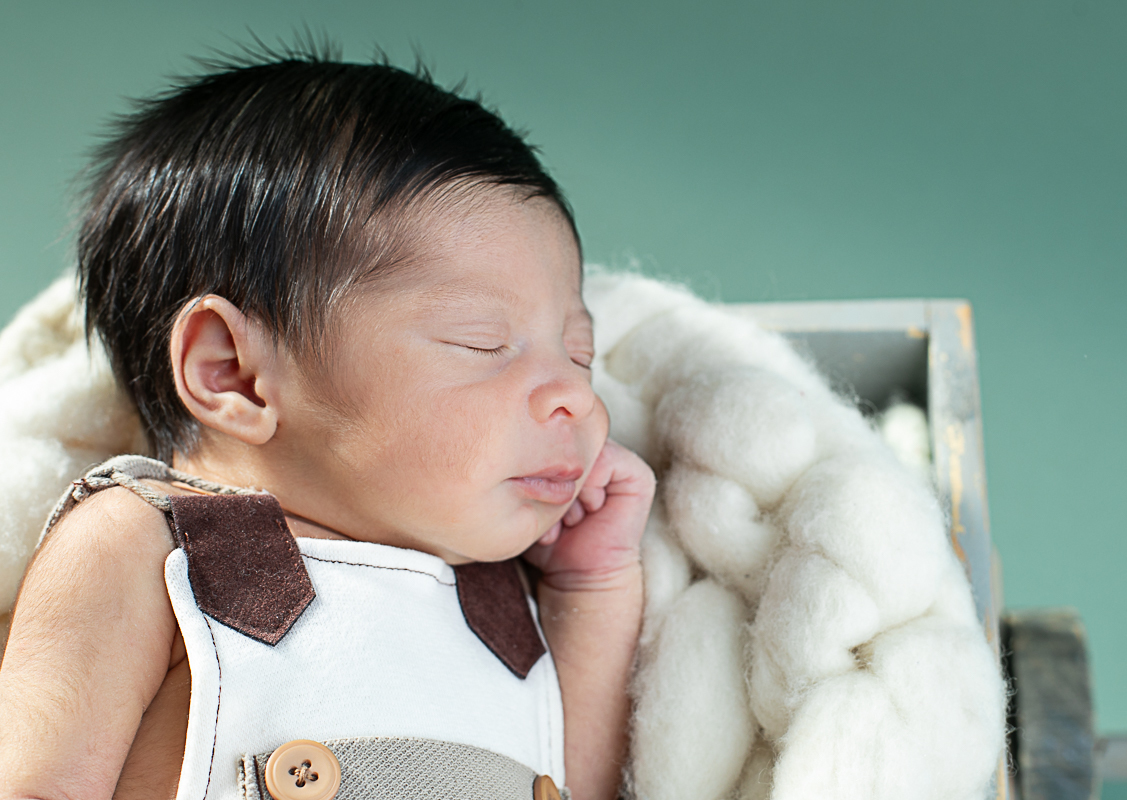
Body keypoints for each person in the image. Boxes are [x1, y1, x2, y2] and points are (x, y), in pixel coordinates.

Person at [0, 45, 654, 800]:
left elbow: (580, 782)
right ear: (234, 375)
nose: (577, 398)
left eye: (580, 354)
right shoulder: (154, 546)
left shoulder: (499, 605)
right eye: (482, 342)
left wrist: (592, 584)